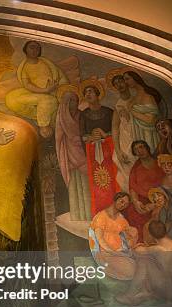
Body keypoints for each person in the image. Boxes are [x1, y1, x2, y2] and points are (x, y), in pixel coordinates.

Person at [116, 220, 172, 305]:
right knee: (152, 262)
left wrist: (135, 245)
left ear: (151, 235)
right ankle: (146, 292)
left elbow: (137, 251)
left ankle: (129, 296)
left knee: (144, 262)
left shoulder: (158, 249)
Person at [4, 40, 68, 138]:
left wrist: (58, 90)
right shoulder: (24, 67)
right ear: (25, 50)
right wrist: (44, 90)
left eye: (37, 48)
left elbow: (61, 78)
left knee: (48, 100)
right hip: (34, 93)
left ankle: (44, 126)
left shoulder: (47, 63)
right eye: (32, 47)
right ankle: (39, 116)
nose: (35, 50)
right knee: (11, 98)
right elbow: (27, 85)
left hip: (51, 95)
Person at [79, 79, 117, 216]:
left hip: (109, 148)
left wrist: (104, 134)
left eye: (91, 91)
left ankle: (115, 210)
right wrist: (90, 137)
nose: (88, 94)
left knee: (112, 179)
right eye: (86, 92)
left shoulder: (109, 112)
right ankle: (100, 213)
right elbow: (81, 135)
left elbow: (116, 131)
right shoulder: (83, 114)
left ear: (97, 94)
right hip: (93, 151)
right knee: (97, 181)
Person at [54, 84, 91, 220]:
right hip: (69, 155)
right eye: (70, 101)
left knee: (87, 185)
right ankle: (77, 216)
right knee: (74, 186)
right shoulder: (61, 118)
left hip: (83, 153)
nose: (73, 104)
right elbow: (58, 139)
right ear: (65, 103)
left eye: (75, 100)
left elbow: (85, 132)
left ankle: (90, 214)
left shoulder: (82, 115)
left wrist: (79, 139)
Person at [88, 192, 138, 280]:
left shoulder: (121, 218)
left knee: (138, 265)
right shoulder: (101, 217)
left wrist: (130, 241)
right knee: (131, 270)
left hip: (119, 251)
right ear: (116, 199)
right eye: (122, 201)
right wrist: (112, 251)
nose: (123, 205)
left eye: (126, 204)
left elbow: (128, 235)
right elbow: (100, 239)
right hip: (105, 253)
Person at [124, 140, 164, 241]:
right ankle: (142, 245)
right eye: (136, 150)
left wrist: (155, 204)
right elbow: (132, 188)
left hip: (161, 197)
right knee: (133, 212)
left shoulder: (159, 162)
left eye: (141, 147)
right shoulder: (135, 168)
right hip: (143, 200)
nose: (139, 151)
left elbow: (166, 184)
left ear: (147, 148)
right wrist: (137, 202)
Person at [124, 71, 162, 152]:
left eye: (127, 79)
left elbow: (150, 120)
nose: (126, 82)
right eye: (124, 80)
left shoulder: (148, 96)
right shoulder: (133, 98)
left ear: (135, 78)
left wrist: (131, 111)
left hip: (149, 134)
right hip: (138, 133)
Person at [108, 71, 134, 191]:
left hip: (138, 135)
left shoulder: (137, 99)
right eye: (116, 83)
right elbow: (115, 128)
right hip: (125, 139)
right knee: (127, 167)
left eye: (121, 81)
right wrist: (117, 150)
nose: (119, 85)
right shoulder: (118, 105)